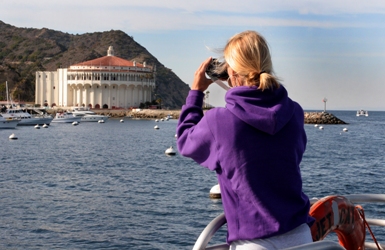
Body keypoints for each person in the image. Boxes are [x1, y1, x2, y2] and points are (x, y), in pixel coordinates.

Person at [176, 30, 315, 249]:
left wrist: (196, 92)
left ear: (230, 71)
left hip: (253, 243)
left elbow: (185, 140)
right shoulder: (295, 113)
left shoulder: (219, 121)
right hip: (302, 238)